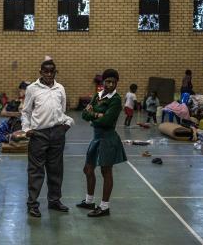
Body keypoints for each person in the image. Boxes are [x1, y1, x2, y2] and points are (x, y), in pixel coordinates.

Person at [21, 59, 74, 218]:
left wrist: (65, 126)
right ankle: (32, 204)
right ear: (41, 72)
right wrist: (27, 129)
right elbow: (26, 112)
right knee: (36, 171)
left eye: (52, 71)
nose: (49, 74)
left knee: (56, 170)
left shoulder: (60, 88)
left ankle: (54, 200)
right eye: (46, 71)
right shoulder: (32, 89)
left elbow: (62, 111)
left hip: (57, 134)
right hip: (39, 135)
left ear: (55, 72)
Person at [78, 69, 127, 217]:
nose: (110, 84)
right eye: (107, 81)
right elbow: (83, 114)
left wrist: (93, 114)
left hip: (108, 139)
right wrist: (97, 114)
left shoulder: (116, 99)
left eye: (113, 82)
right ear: (103, 82)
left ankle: (104, 207)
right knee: (88, 169)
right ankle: (89, 201)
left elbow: (107, 121)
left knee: (106, 172)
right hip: (96, 137)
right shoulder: (98, 95)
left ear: (117, 83)